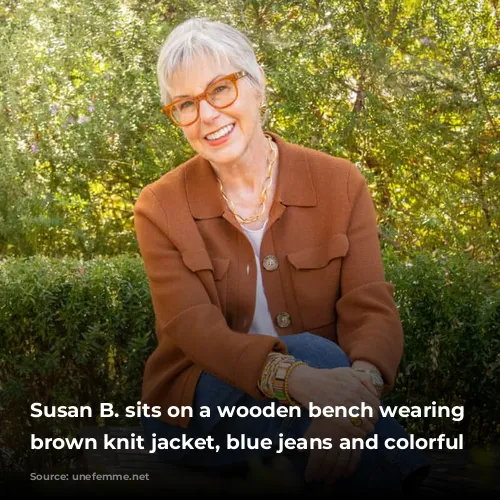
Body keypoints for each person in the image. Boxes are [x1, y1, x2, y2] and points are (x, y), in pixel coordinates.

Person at [133, 17, 429, 494]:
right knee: (314, 352)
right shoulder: (159, 206)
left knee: (314, 415)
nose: (206, 115)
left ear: (257, 85)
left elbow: (369, 307)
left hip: (316, 405)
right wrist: (302, 380)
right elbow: (194, 330)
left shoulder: (340, 183)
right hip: (197, 409)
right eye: (186, 104)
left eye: (220, 90)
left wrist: (354, 398)